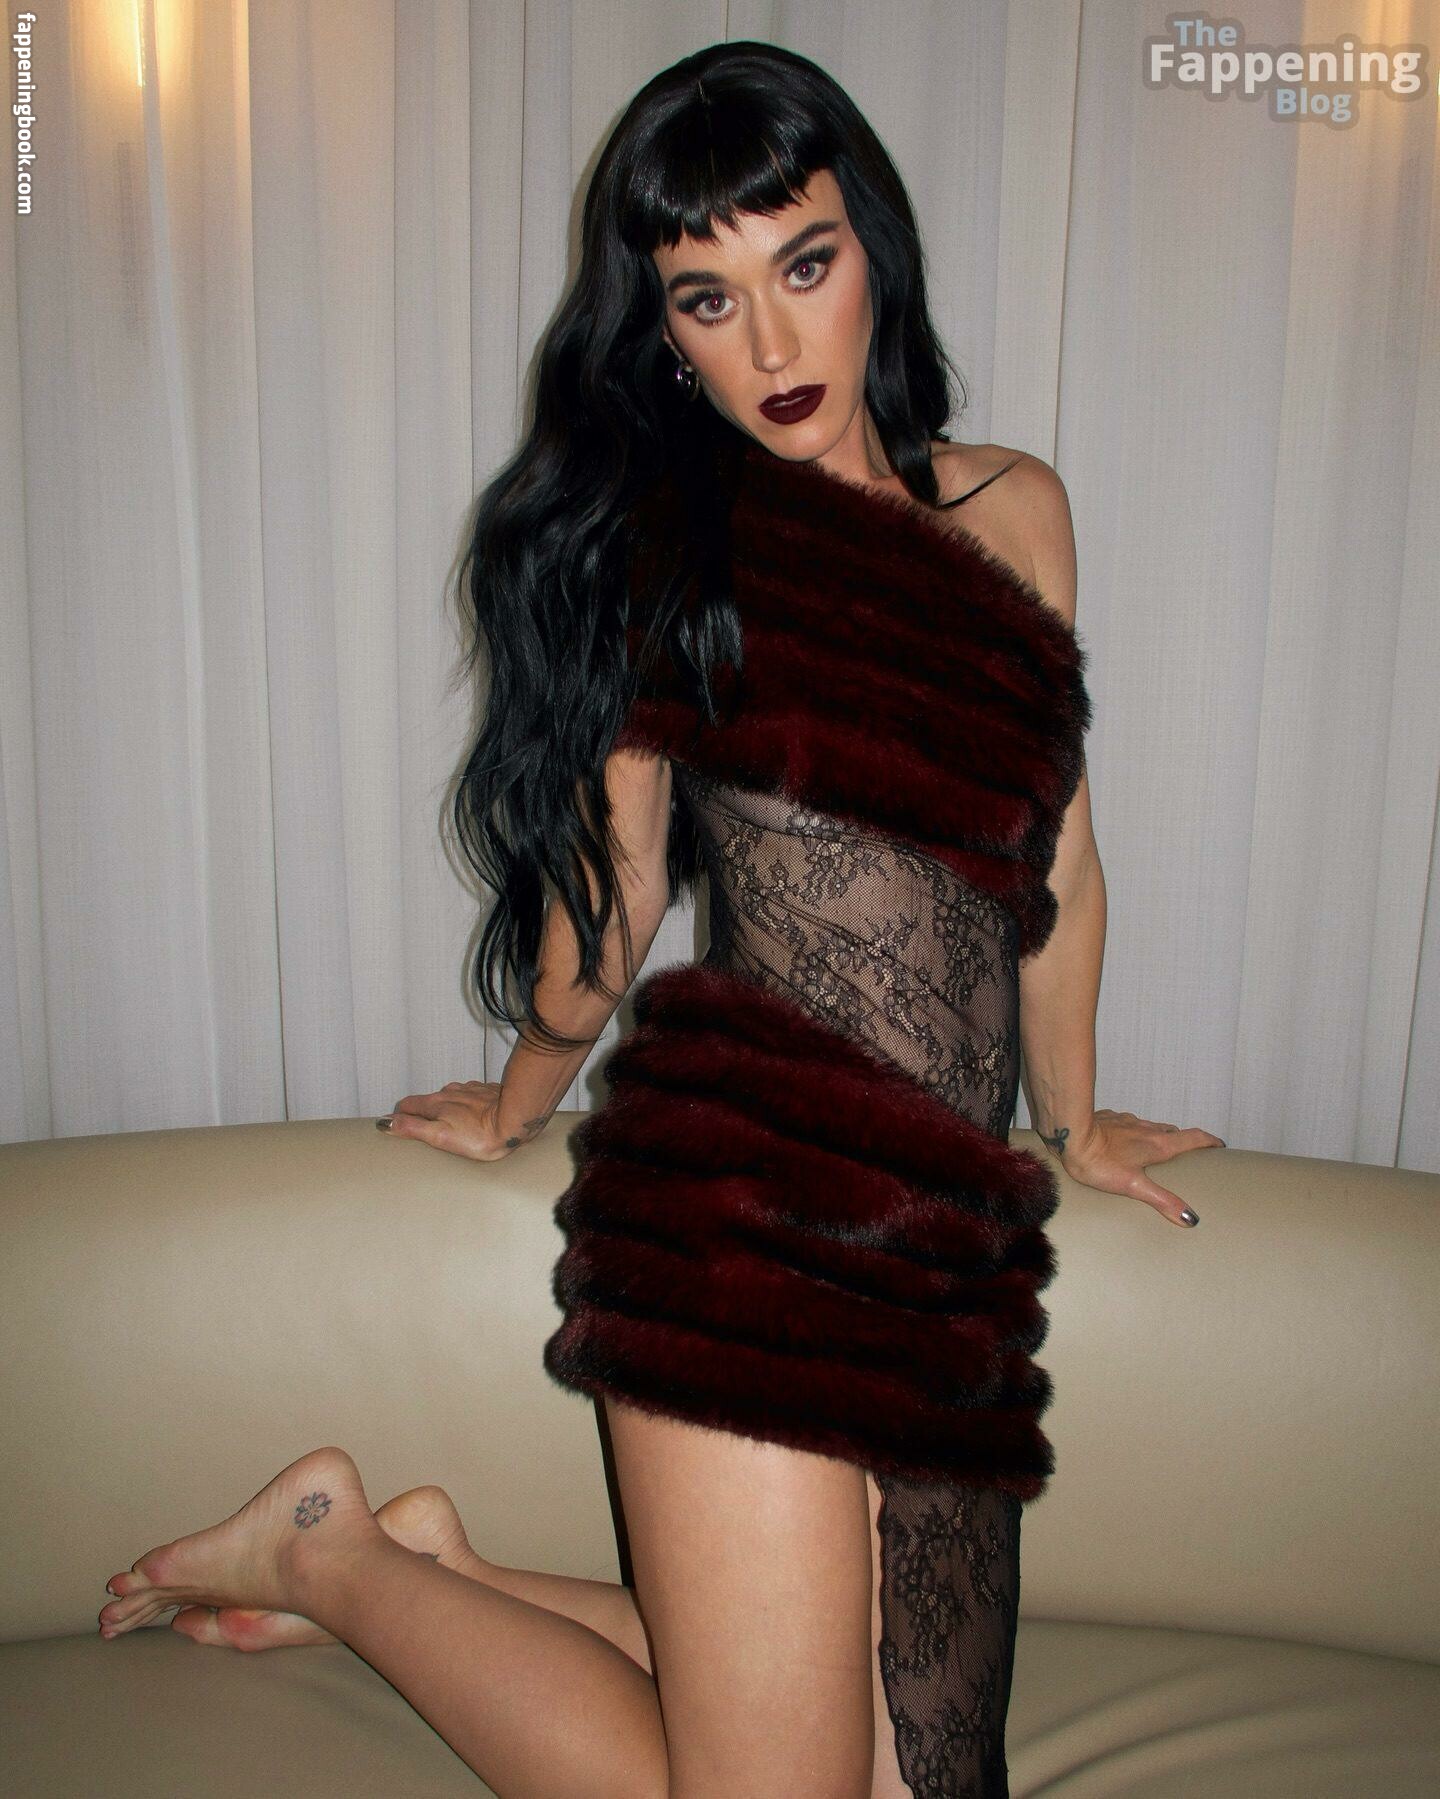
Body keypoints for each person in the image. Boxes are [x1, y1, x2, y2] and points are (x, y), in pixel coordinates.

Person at [97, 42, 1223, 1799]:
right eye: (710, 298)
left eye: (804, 264)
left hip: (935, 1247)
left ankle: (438, 1563)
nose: (771, 345)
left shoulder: (1019, 512)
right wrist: (516, 1097)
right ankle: (338, 1559)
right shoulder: (663, 556)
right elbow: (613, 907)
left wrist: (1074, 1121)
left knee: (931, 1780)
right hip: (739, 1216)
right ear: (665, 331)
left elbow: (1057, 860)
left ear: (872, 252)